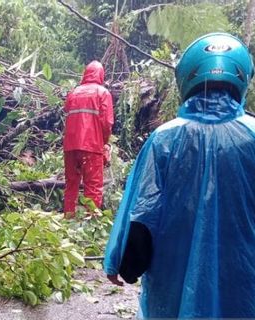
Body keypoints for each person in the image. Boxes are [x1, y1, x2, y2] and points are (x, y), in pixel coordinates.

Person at [104, 32, 255, 318]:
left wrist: (120, 261)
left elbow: (141, 212)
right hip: (244, 279)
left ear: (187, 79)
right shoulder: (252, 136)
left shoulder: (164, 139)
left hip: (173, 276)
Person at [63, 60, 114, 218]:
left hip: (70, 146)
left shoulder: (73, 93)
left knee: (71, 184)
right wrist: (104, 143)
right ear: (101, 75)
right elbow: (106, 123)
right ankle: (90, 224)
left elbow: (67, 118)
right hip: (91, 146)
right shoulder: (103, 93)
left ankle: (68, 218)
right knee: (92, 187)